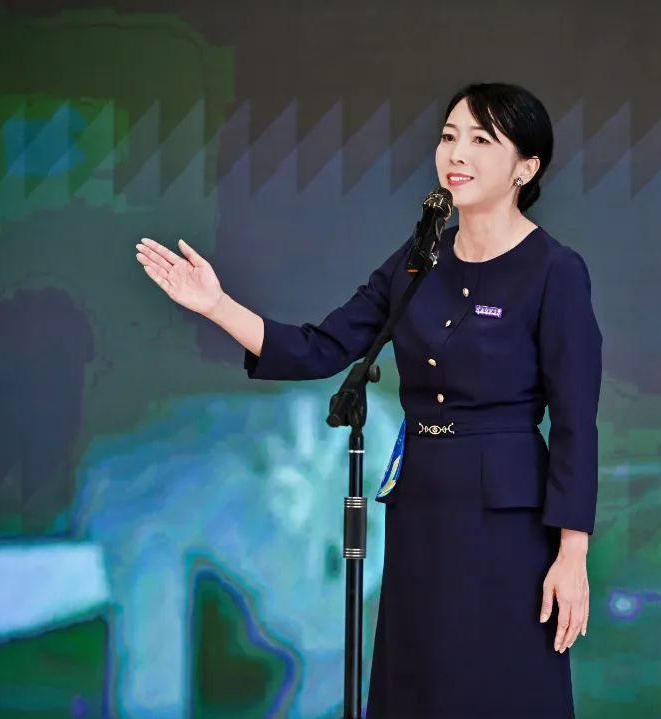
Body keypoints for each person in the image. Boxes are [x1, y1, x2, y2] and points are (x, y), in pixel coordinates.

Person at [135, 81, 602, 718]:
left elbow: (575, 421)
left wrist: (572, 553)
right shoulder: (418, 260)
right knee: (421, 685)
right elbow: (321, 347)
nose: (456, 154)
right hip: (421, 503)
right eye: (448, 137)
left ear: (526, 167)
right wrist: (217, 306)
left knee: (501, 687)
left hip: (506, 518)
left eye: (480, 140)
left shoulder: (554, 270)